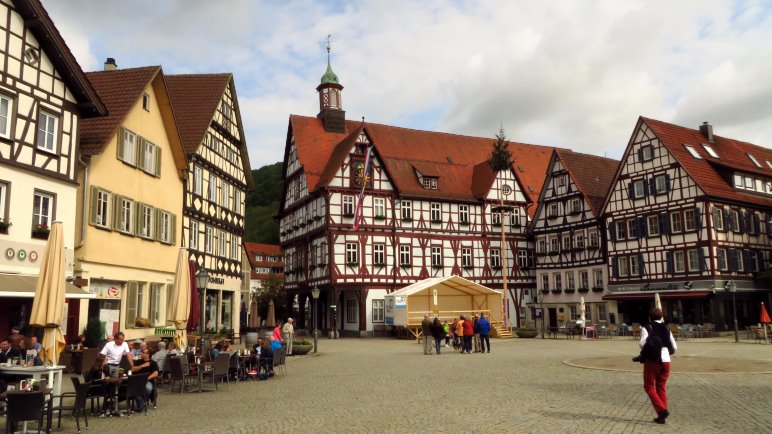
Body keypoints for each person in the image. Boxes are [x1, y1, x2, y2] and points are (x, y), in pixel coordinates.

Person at [638, 307, 677, 424]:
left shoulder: (647, 327)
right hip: (666, 360)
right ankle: (662, 416)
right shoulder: (666, 328)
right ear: (661, 317)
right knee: (661, 387)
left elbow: (643, 344)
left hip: (653, 360)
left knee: (649, 386)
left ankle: (661, 410)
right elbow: (674, 347)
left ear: (650, 317)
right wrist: (667, 352)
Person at [130, 348, 159, 413]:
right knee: (134, 387)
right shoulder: (138, 362)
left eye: (144, 353)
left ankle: (142, 403)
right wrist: (142, 366)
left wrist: (147, 378)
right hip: (137, 380)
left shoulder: (153, 363)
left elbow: (155, 373)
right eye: (142, 352)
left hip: (147, 381)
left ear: (148, 355)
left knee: (147, 388)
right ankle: (142, 403)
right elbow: (133, 369)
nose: (142, 354)